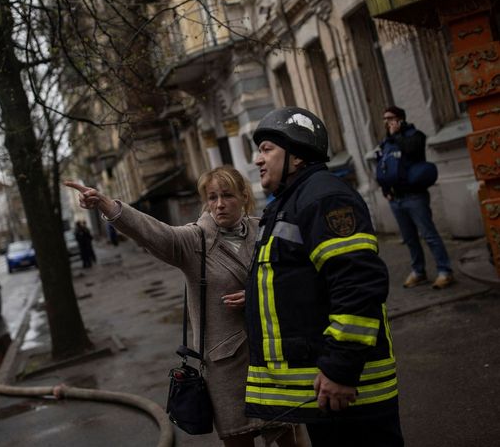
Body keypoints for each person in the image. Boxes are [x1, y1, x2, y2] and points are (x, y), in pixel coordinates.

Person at [65, 168, 308, 447]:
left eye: (227, 195)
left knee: (291, 439)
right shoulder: (195, 241)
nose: (219, 204)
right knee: (240, 440)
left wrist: (257, 294)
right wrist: (107, 205)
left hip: (272, 357)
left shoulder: (264, 230)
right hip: (227, 367)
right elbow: (152, 232)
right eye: (212, 197)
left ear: (244, 196)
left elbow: (293, 278)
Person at [245, 107, 403, 447]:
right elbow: (300, 277)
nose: (257, 160)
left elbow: (357, 284)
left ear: (297, 155)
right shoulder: (291, 200)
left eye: (266, 149)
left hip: (347, 390)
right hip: (326, 390)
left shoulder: (324, 197)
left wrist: (340, 369)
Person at [376, 106, 453, 289]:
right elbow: (384, 167)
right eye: (385, 119)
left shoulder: (415, 136)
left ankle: (445, 271)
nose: (388, 122)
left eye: (391, 118)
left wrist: (397, 134)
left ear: (401, 119)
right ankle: (419, 271)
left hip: (415, 196)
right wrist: (385, 190)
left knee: (429, 235)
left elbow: (412, 151)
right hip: (396, 198)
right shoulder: (387, 142)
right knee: (410, 239)